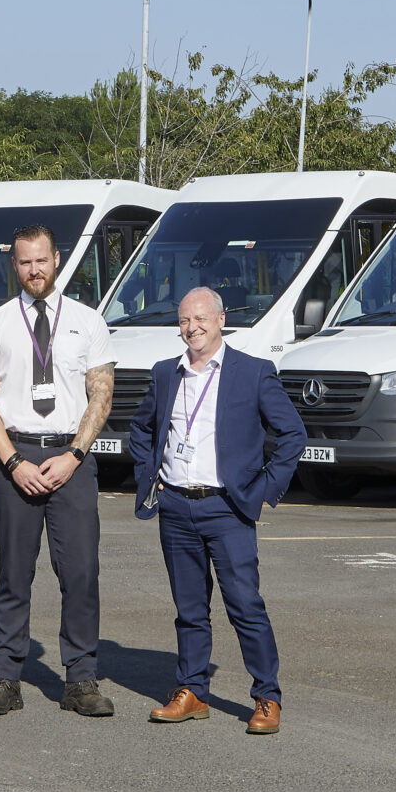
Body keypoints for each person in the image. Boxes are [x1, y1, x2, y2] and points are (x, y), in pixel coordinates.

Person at [123, 286, 306, 735]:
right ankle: (192, 691)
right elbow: (141, 429)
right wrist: (151, 478)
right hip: (177, 506)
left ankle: (267, 696)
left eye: (202, 318)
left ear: (222, 321)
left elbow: (292, 435)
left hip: (228, 508)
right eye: (185, 320)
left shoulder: (253, 372)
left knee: (245, 605)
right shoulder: (167, 373)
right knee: (189, 609)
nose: (193, 327)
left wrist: (262, 489)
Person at [0, 222, 116, 718]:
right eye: (25, 261)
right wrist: (12, 461)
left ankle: (81, 680)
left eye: (42, 260)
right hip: (15, 459)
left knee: (81, 574)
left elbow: (101, 394)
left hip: (72, 457)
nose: (34, 269)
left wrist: (74, 454)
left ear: (57, 260)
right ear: (14, 264)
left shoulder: (88, 321)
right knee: (13, 574)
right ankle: (5, 678)